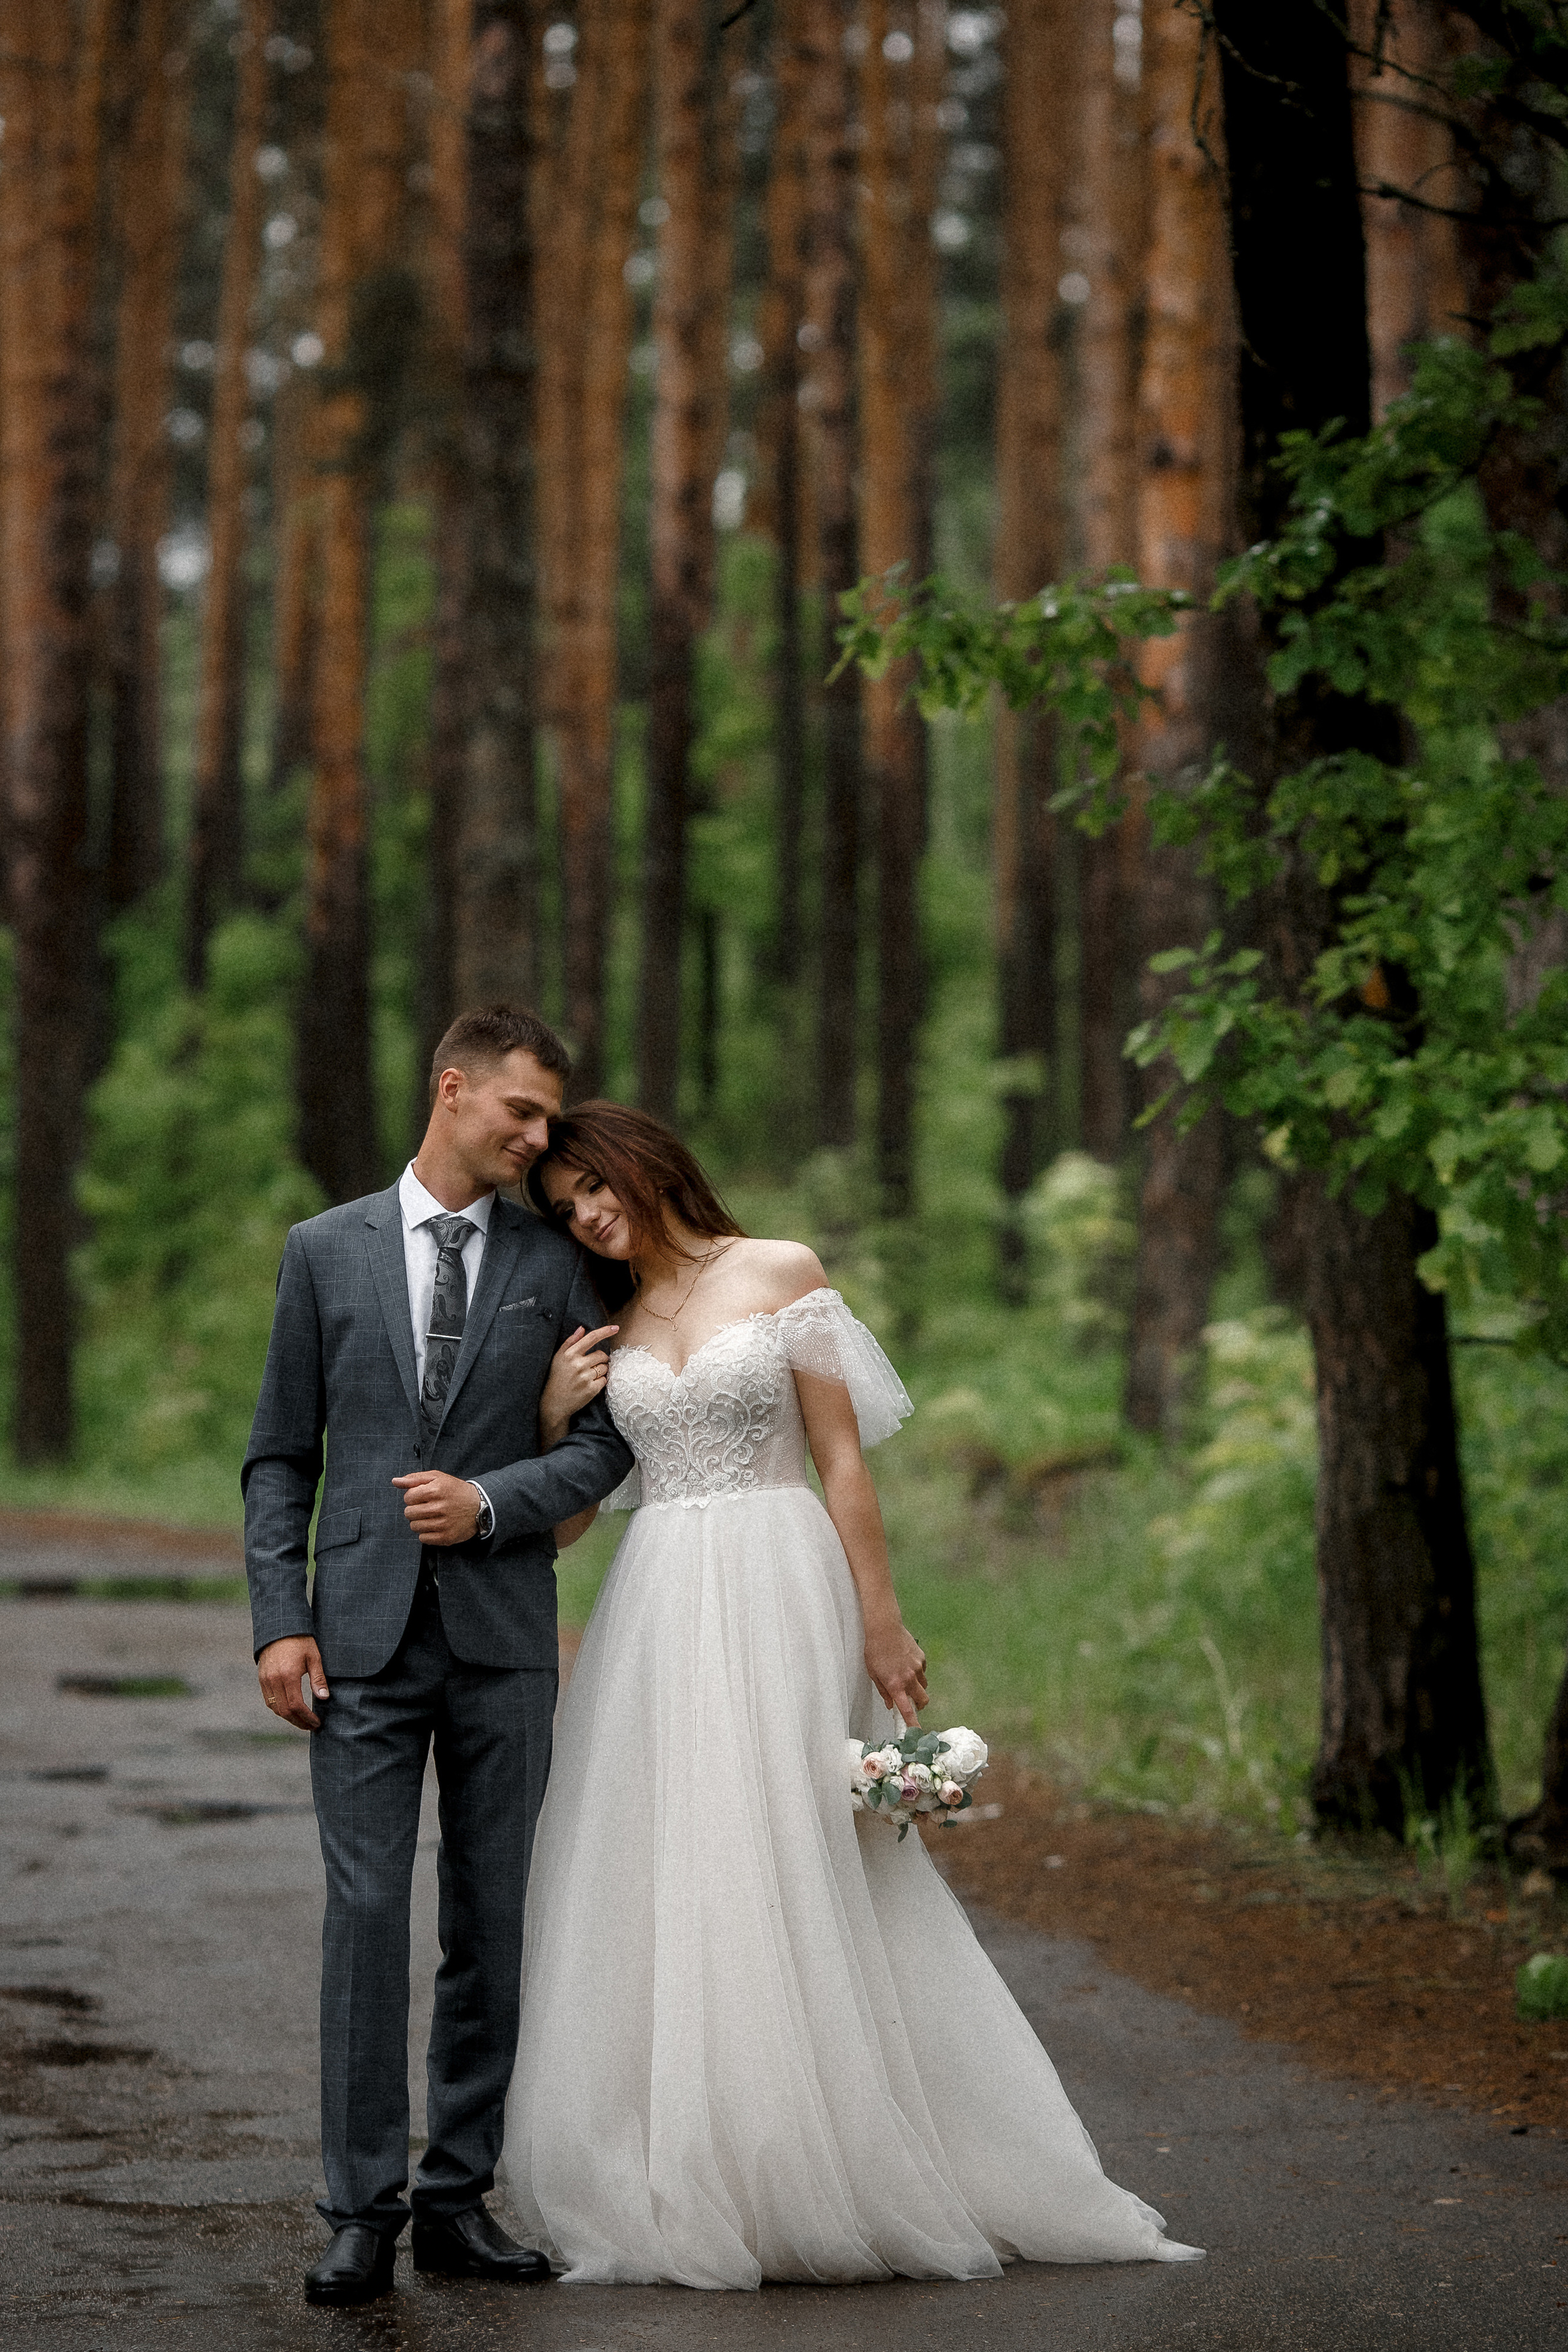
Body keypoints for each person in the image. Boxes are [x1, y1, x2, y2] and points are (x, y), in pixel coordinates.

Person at [502, 1100, 1203, 2286]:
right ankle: (723, 2164)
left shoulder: (779, 1271)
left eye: (596, 1186)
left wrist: (881, 1623)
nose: (589, 1213)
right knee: (682, 1865)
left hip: (783, 1585)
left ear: (645, 1161)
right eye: (568, 1206)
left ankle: (857, 2151)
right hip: (659, 1607)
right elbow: (569, 1521)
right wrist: (551, 1415)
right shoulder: (604, 1326)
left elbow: (838, 1458)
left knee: (807, 1844)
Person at [243, 1008, 633, 2307]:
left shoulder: (555, 1261)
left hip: (503, 1638)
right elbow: (280, 1453)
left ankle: (458, 2201)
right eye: (519, 1112)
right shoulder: (322, 1250)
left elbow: (605, 1446)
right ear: (452, 1088)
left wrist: (495, 1503)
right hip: (354, 1633)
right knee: (364, 1919)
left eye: (547, 1119)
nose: (538, 1138)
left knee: (492, 1919)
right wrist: (278, 1618)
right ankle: (359, 2208)